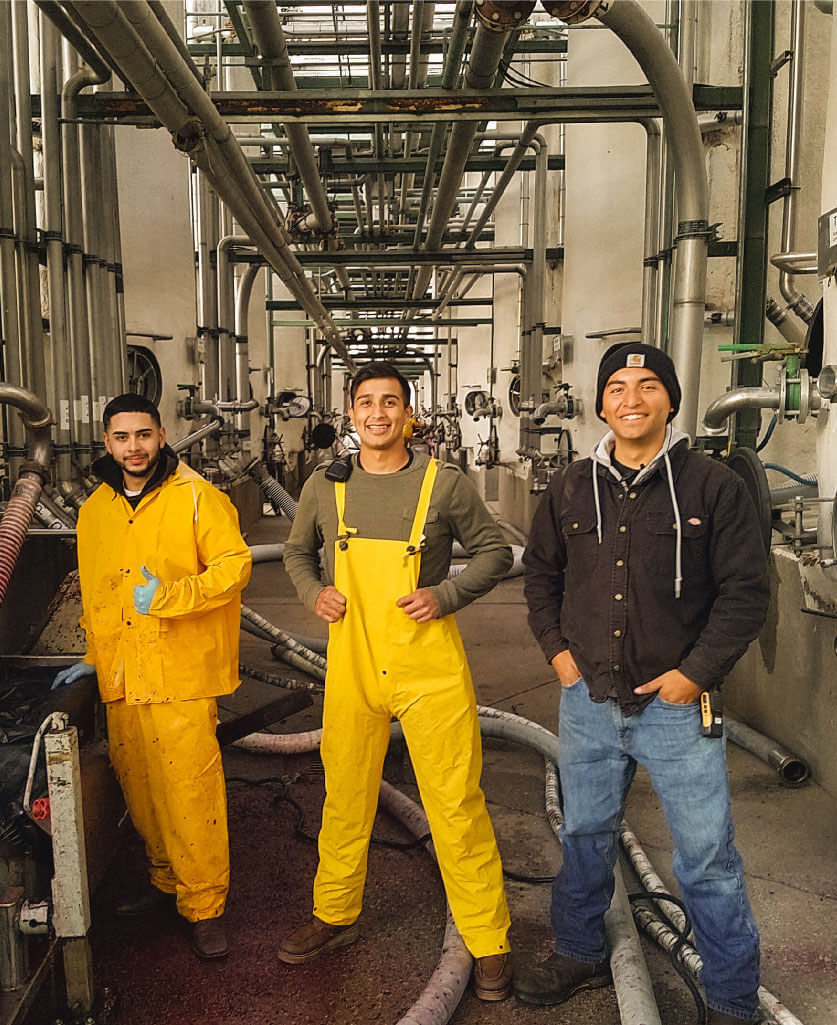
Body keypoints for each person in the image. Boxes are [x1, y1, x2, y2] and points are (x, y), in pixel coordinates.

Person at [519, 343, 769, 1025]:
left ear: (670, 399)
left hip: (676, 708)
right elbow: (540, 574)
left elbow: (747, 592)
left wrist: (693, 674)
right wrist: (558, 655)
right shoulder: (570, 485)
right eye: (618, 387)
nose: (631, 398)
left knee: (706, 857)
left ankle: (730, 999)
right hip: (586, 700)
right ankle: (577, 949)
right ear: (601, 403)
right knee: (583, 833)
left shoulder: (713, 486)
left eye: (648, 385)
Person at [281, 361, 515, 1001]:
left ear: (409, 413)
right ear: (351, 413)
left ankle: (489, 942)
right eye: (365, 402)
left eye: (390, 402)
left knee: (455, 804)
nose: (378, 413)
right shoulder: (324, 486)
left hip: (427, 664)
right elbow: (298, 552)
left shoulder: (445, 485)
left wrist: (444, 595)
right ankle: (333, 914)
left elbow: (495, 552)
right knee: (345, 794)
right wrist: (313, 593)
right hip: (351, 662)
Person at [52, 394, 252, 960]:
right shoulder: (96, 510)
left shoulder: (196, 498)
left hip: (180, 673)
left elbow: (234, 567)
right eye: (122, 437)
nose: (134, 447)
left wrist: (170, 596)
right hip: (123, 675)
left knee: (189, 791)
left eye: (144, 435)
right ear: (108, 443)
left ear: (162, 436)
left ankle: (205, 905)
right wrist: (94, 655)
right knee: (139, 787)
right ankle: (167, 883)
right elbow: (97, 593)